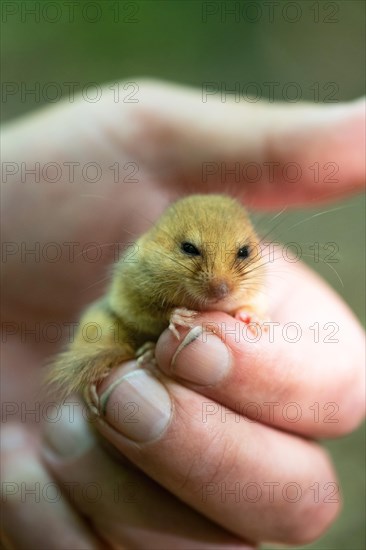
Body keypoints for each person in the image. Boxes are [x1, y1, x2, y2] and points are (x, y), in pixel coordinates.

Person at [1, 80, 365, 549]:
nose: (218, 281)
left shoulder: (246, 281)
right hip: (124, 336)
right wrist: (163, 321)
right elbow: (127, 306)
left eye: (239, 257)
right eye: (192, 252)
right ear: (160, 240)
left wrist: (249, 315)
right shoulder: (140, 267)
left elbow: (245, 296)